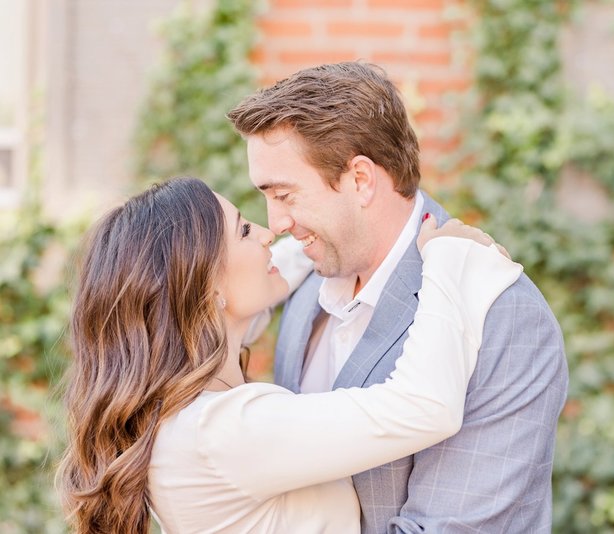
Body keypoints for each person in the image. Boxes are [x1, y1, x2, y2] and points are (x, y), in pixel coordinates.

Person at [56, 177, 520, 534]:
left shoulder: (179, 417)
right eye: (243, 230)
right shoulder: (224, 433)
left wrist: (315, 244)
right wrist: (448, 261)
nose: (266, 231)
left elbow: (252, 296)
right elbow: (424, 408)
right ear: (207, 289)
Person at [227, 61, 569, 533]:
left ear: (361, 180)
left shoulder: (504, 317)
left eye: (285, 195)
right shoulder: (309, 279)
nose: (277, 223)